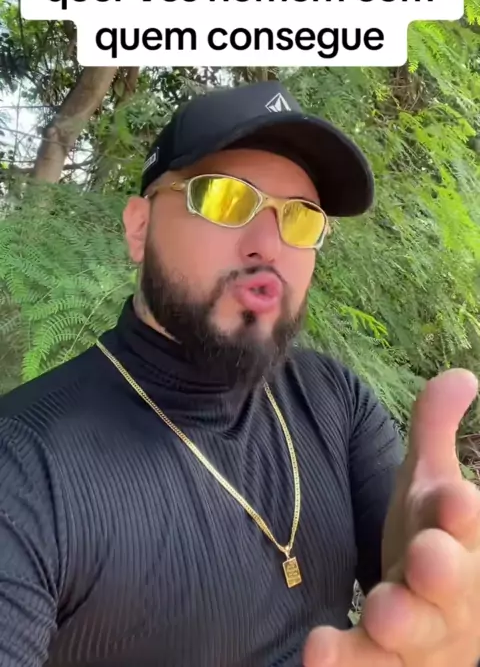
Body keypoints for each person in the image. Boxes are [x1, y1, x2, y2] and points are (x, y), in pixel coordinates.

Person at [0, 80, 478, 667]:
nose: (269, 245)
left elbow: (422, 594)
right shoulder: (21, 467)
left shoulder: (335, 400)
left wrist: (441, 597)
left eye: (301, 218)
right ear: (140, 228)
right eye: (224, 198)